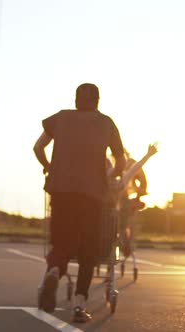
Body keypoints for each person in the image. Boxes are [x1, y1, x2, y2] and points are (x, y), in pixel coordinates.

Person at [33, 83, 125, 323]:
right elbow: (120, 160)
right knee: (88, 250)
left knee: (61, 242)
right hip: (92, 195)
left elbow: (38, 147)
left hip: (61, 191)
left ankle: (55, 271)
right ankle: (79, 303)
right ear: (98, 101)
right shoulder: (106, 123)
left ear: (76, 100)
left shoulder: (61, 118)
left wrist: (50, 167)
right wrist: (109, 176)